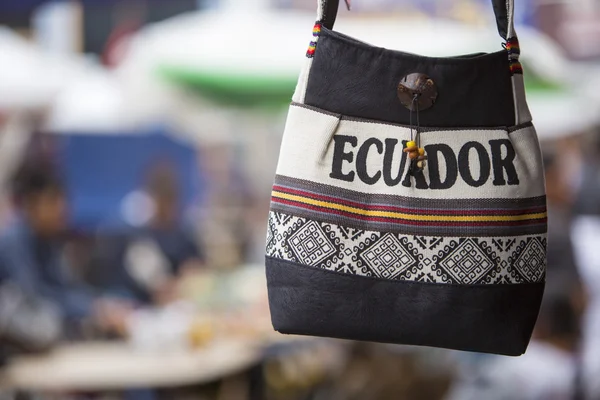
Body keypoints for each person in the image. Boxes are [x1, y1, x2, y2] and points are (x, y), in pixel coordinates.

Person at [0, 163, 130, 334]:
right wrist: (90, 309)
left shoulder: (48, 241)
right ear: (31, 205)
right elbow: (32, 299)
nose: (61, 211)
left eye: (63, 202)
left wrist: (101, 305)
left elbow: (67, 286)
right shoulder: (12, 242)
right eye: (52, 202)